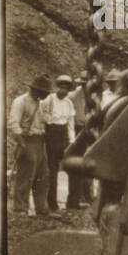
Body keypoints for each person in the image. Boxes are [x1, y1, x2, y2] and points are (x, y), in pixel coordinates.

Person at [8, 76, 56, 218]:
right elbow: (13, 123)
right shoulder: (20, 101)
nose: (46, 95)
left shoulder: (40, 103)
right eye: (44, 92)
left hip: (40, 141)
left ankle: (41, 208)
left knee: (43, 175)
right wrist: (20, 140)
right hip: (27, 141)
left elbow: (44, 121)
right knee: (26, 176)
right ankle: (20, 208)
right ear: (36, 90)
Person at [38, 75, 76, 212]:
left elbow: (70, 123)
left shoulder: (69, 103)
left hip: (63, 135)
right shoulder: (49, 100)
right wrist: (46, 127)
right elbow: (41, 115)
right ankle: (51, 202)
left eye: (66, 88)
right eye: (61, 87)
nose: (63, 90)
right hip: (52, 134)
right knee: (52, 169)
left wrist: (72, 140)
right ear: (57, 87)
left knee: (67, 167)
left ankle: (72, 200)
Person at [65, 72, 91, 208]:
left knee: (89, 163)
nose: (85, 86)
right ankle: (75, 198)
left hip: (90, 129)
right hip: (77, 128)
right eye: (83, 84)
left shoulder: (94, 95)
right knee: (77, 164)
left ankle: (86, 197)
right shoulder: (72, 96)